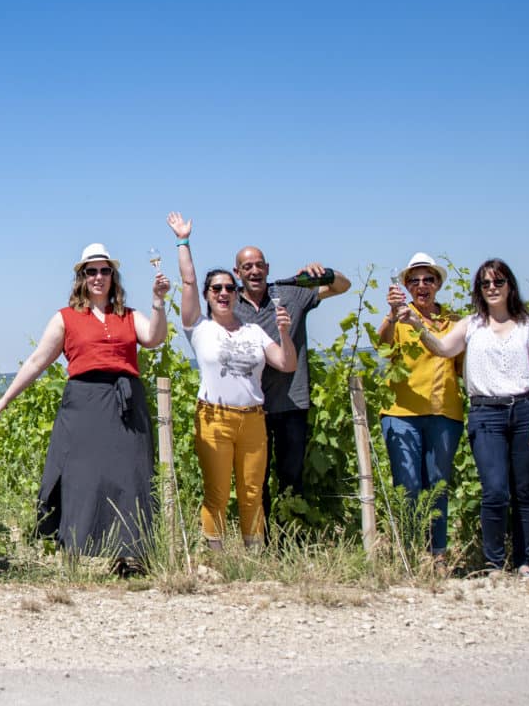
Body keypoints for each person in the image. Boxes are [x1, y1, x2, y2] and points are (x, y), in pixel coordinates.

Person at [0, 243, 170, 569]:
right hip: (83, 403)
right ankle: (73, 556)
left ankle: (130, 556)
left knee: (130, 475)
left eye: (104, 270)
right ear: (82, 277)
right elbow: (38, 361)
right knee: (82, 477)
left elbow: (154, 338)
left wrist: (158, 302)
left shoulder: (129, 315)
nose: (98, 277)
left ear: (113, 275)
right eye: (91, 271)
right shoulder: (65, 318)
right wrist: (6, 398)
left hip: (125, 401)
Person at [405, 258, 529, 579]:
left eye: (498, 282)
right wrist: (418, 327)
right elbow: (442, 349)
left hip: (526, 411)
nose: (492, 288)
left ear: (509, 285)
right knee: (495, 490)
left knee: (524, 491)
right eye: (485, 284)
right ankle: (495, 564)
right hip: (486, 414)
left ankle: (524, 562)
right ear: (479, 290)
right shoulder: (471, 325)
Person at [171, 214, 296, 550]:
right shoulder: (198, 327)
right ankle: (217, 556)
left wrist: (283, 331)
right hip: (214, 418)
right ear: (208, 295)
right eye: (216, 289)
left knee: (253, 491)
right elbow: (187, 281)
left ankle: (254, 557)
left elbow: (286, 363)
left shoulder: (255, 331)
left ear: (238, 294)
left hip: (254, 419)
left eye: (229, 288)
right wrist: (183, 241)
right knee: (217, 491)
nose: (223, 293)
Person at [228, 238, 351, 518]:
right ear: (238, 272)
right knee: (256, 481)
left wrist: (326, 273)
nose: (254, 271)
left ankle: (290, 544)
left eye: (259, 265)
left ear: (268, 268)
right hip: (252, 407)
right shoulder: (229, 302)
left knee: (291, 480)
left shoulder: (292, 292)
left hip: (293, 404)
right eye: (247, 267)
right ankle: (263, 542)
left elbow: (342, 287)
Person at [375, 252, 464, 563]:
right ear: (407, 286)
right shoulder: (399, 318)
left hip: (445, 414)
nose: (422, 285)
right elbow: (384, 349)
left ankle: (437, 554)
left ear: (438, 284)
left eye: (428, 279)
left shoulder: (454, 322)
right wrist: (391, 312)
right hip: (401, 415)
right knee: (408, 486)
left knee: (437, 486)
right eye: (415, 280)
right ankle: (410, 552)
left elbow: (464, 367)